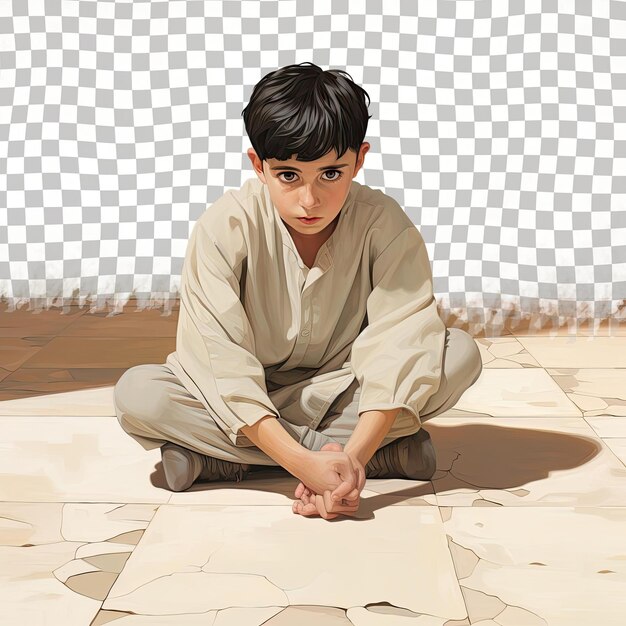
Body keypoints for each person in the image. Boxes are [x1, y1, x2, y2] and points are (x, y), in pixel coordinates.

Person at [114, 61, 483, 520]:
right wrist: (311, 464)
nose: (310, 200)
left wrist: (346, 457)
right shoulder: (224, 227)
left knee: (458, 353)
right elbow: (217, 358)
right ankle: (380, 456)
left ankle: (225, 461)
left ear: (359, 159)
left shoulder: (385, 225)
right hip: (252, 397)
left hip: (342, 389)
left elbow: (400, 341)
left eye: (331, 173)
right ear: (259, 165)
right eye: (289, 175)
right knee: (140, 394)